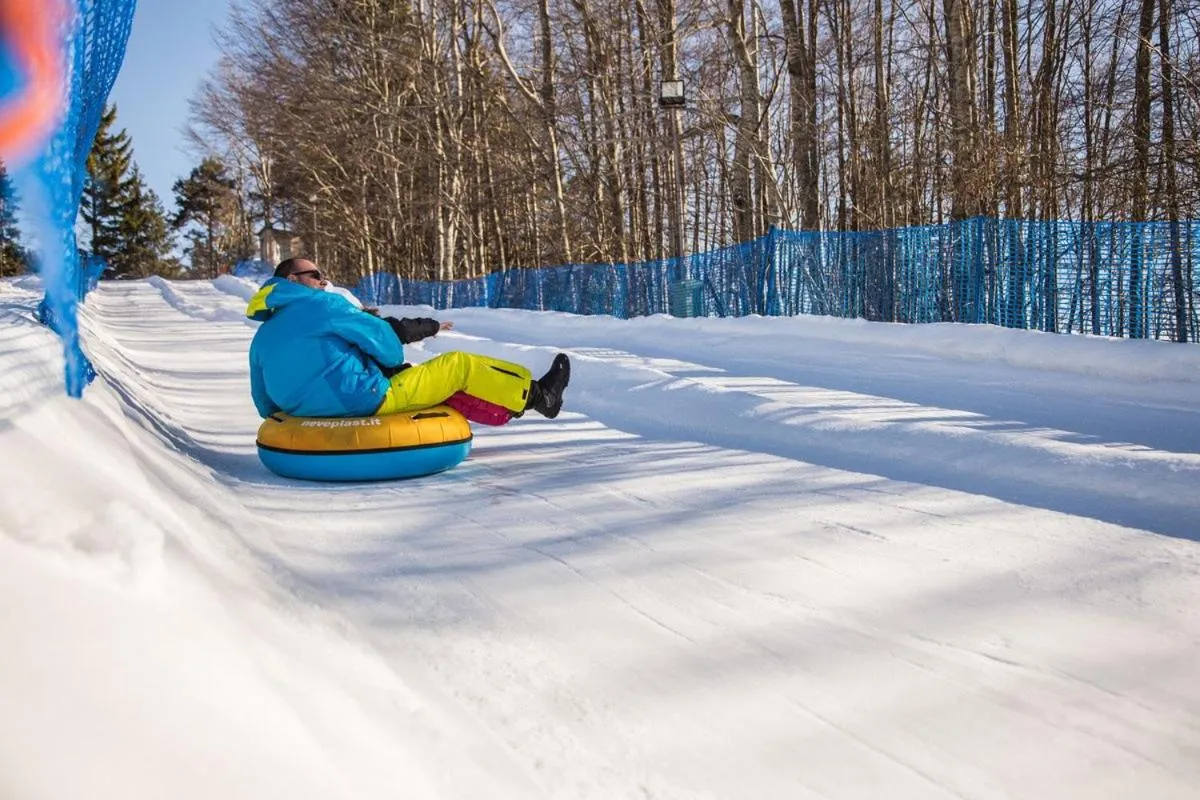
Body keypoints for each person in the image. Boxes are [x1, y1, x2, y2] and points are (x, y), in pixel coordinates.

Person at [246, 258, 570, 423]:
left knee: (431, 386)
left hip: (302, 415)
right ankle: (541, 396)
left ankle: (506, 409)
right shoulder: (324, 304)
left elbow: (263, 404)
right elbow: (386, 345)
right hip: (361, 400)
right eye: (315, 274)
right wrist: (390, 366)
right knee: (458, 365)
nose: (323, 279)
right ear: (292, 279)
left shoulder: (263, 335)